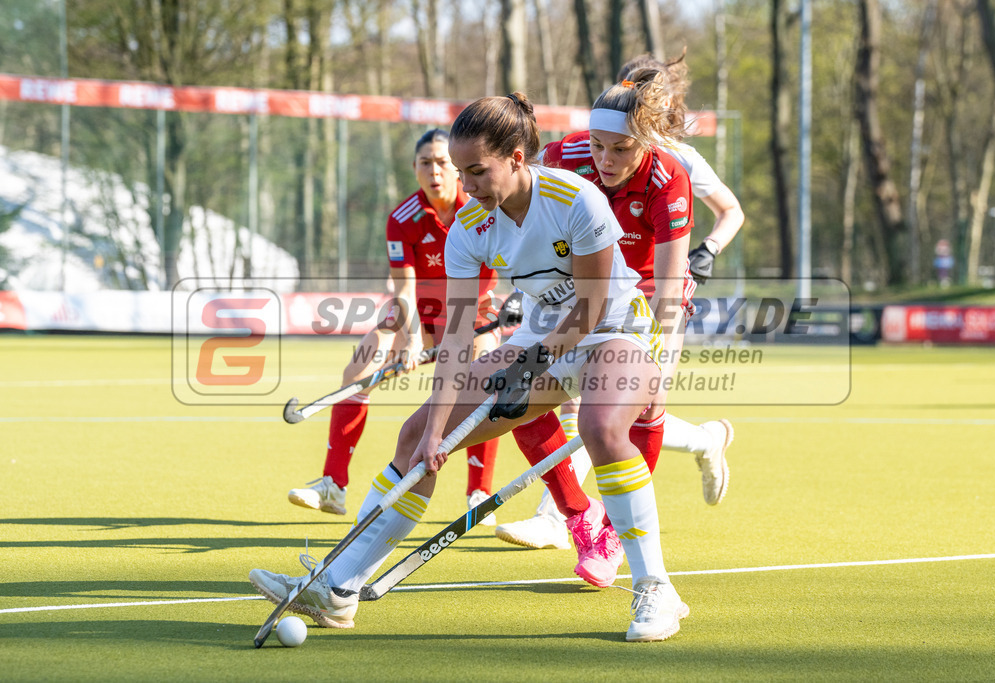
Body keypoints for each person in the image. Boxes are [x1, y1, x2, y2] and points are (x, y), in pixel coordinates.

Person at [250, 92, 689, 643]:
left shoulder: (576, 200)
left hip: (616, 327)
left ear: (517, 157)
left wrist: (531, 364)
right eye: (462, 172)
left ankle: (656, 589)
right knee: (414, 436)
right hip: (540, 334)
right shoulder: (469, 228)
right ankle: (338, 589)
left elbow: (591, 307)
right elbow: (457, 340)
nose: (468, 185)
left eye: (477, 171)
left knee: (601, 428)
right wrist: (437, 430)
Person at [495, 54, 745, 553]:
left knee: (625, 408)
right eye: (599, 145)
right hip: (587, 287)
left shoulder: (680, 163)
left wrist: (708, 250)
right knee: (550, 396)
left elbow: (730, 212)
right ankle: (568, 513)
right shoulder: (578, 152)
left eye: (621, 147)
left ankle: (598, 529)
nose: (606, 158)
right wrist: (518, 298)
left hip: (651, 292)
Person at [286, 129, 503, 525]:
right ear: (414, 169)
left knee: (485, 372)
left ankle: (479, 491)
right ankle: (334, 485)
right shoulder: (402, 218)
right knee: (359, 368)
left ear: (456, 169)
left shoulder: (482, 208)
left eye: (441, 163)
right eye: (425, 163)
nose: (434, 171)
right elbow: (404, 288)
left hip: (473, 311)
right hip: (417, 313)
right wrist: (412, 338)